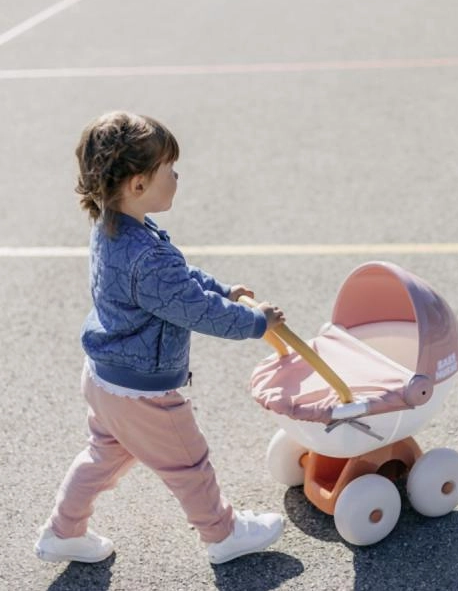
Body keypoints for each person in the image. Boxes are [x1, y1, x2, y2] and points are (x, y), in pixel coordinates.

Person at [35, 110, 285, 566]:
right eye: (169, 168)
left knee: (102, 456)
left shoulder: (115, 226)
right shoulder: (146, 256)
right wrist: (255, 322)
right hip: (141, 392)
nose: (176, 176)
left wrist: (222, 289)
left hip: (107, 377)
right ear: (137, 184)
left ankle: (63, 531)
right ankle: (223, 534)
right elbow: (194, 308)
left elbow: (180, 280)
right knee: (188, 462)